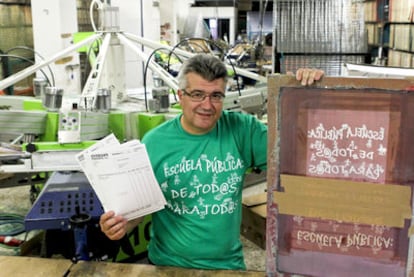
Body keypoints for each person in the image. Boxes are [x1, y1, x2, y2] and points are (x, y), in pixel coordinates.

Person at [99, 54, 324, 270]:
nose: (207, 105)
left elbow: (298, 154)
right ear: (180, 95)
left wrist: (304, 98)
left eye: (216, 96)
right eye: (197, 94)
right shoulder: (154, 144)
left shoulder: (241, 130)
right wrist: (119, 226)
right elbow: (136, 210)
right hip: (169, 267)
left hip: (226, 267)